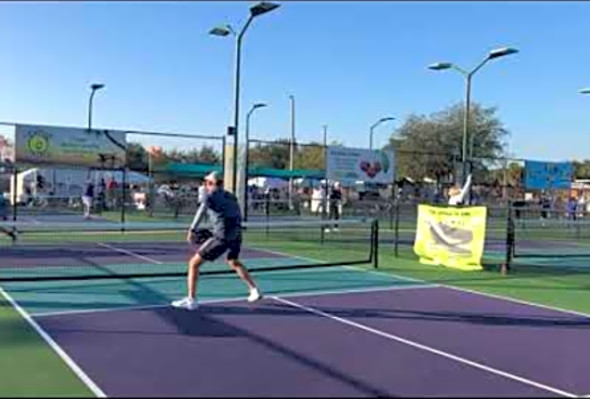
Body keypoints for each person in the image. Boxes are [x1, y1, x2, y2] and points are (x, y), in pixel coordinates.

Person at [172, 171, 262, 311]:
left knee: (193, 264)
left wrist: (192, 229)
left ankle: (192, 300)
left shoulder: (210, 195)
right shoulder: (230, 196)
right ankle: (254, 290)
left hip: (222, 236)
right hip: (236, 234)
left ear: (211, 183)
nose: (204, 184)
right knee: (234, 261)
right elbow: (236, 214)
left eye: (206, 182)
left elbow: (201, 210)